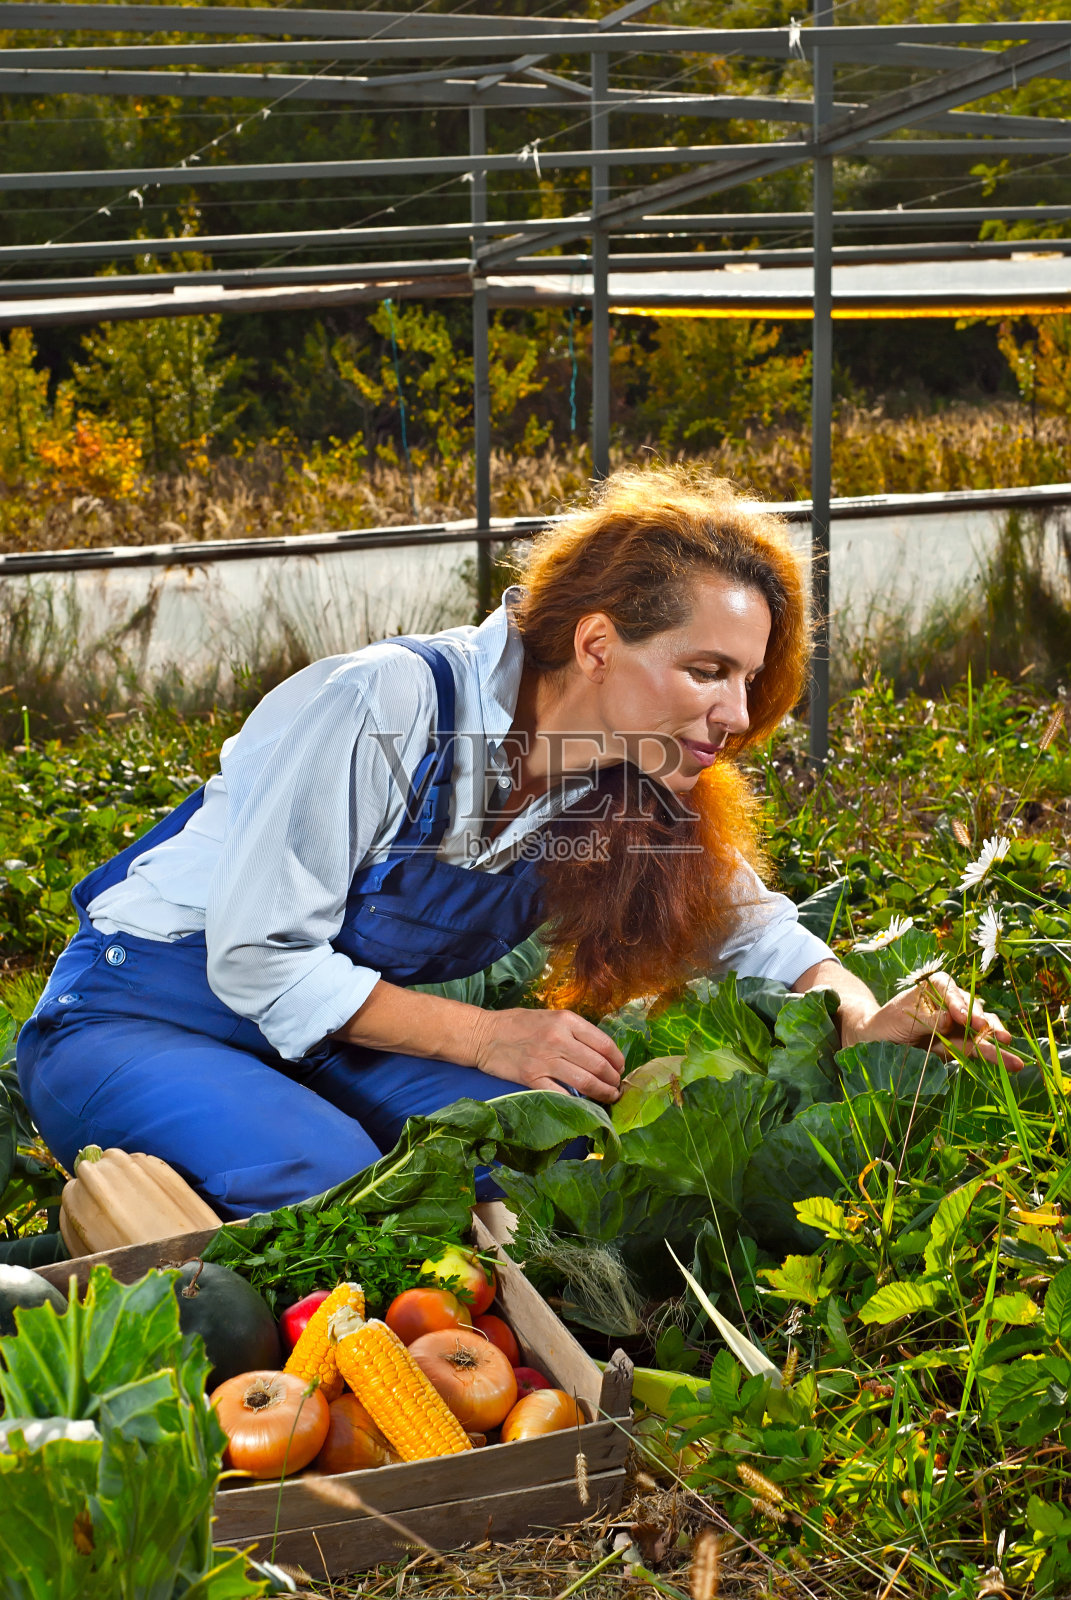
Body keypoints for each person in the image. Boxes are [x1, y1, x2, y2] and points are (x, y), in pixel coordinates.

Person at [16, 468, 1015, 1217]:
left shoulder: (625, 773)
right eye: (708, 669)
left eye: (747, 681)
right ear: (596, 644)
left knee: (557, 1160)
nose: (733, 714)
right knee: (332, 1186)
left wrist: (865, 1013)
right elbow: (256, 959)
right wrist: (493, 1036)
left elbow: (757, 932)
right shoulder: (384, 703)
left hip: (330, 1046)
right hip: (145, 1012)